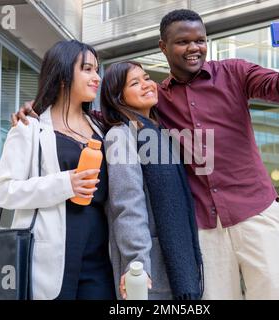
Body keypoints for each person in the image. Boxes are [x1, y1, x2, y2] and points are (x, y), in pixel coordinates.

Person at [13, 9, 279, 300]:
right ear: (164, 46)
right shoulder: (158, 101)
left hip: (255, 211)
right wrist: (42, 109)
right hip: (204, 227)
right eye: (183, 42)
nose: (194, 48)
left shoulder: (234, 72)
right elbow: (110, 111)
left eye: (199, 40)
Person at [0, 40, 116, 300]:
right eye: (87, 69)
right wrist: (64, 184)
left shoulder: (103, 129)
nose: (96, 78)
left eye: (97, 70)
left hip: (100, 255)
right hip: (51, 255)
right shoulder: (30, 127)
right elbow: (0, 191)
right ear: (63, 74)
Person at [101, 61, 203, 300]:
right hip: (148, 271)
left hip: (174, 265)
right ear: (118, 97)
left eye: (147, 78)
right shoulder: (120, 135)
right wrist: (137, 263)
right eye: (135, 83)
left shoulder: (160, 132)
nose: (147, 85)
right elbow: (127, 204)